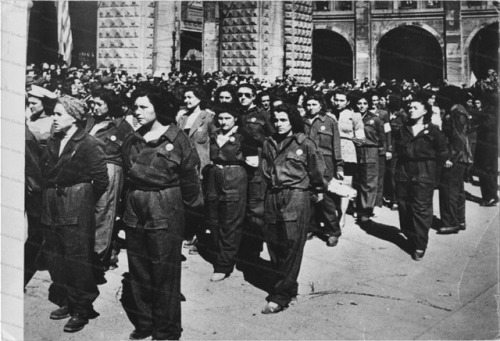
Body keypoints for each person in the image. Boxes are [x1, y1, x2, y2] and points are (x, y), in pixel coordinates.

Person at [121, 85, 203, 340]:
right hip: (136, 204)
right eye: (136, 107)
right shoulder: (133, 138)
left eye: (144, 106)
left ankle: (166, 329)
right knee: (139, 267)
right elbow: (126, 173)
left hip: (165, 204)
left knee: (164, 270)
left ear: (159, 108)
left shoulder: (178, 140)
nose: (137, 111)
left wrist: (188, 221)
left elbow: (191, 182)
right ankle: (145, 322)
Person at [40, 96, 109, 332]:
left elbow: (101, 180)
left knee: (77, 256)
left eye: (59, 114)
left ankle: (82, 307)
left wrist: (82, 198)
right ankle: (69, 301)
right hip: (51, 202)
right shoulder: (53, 140)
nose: (54, 118)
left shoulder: (89, 143)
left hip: (75, 202)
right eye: (54, 114)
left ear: (75, 117)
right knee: (55, 256)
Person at [260, 103, 327, 313]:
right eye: (276, 120)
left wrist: (315, 190)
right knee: (273, 242)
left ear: (292, 122)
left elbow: (317, 171)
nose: (278, 125)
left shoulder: (304, 143)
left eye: (283, 120)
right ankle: (289, 286)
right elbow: (264, 169)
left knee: (291, 244)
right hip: (273, 194)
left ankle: (280, 296)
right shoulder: (268, 143)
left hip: (296, 195)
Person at [205, 103, 259, 281]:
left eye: (227, 118)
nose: (223, 121)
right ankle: (220, 253)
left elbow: (254, 163)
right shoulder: (215, 135)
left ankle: (224, 264)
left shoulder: (244, 137)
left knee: (231, 221)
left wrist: (238, 162)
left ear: (235, 118)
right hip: (214, 177)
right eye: (220, 118)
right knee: (213, 219)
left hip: (234, 177)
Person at [85, 89, 134, 282]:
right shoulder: (89, 121)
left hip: (110, 168)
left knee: (104, 213)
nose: (95, 107)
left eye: (99, 104)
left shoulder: (121, 125)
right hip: (87, 168)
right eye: (93, 103)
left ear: (110, 104)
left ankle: (98, 260)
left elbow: (130, 152)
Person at [393, 94, 448, 261]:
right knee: (404, 206)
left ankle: (420, 244)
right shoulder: (403, 130)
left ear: (425, 111)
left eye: (415, 107)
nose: (411, 110)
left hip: (424, 172)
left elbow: (443, 153)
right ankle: (411, 236)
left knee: (421, 208)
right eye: (409, 107)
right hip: (404, 172)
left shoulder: (433, 131)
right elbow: (396, 150)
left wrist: (433, 176)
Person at [236, 83, 274, 269]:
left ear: (253, 96)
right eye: (240, 95)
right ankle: (244, 246)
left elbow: (272, 137)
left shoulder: (262, 115)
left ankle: (254, 249)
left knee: (256, 207)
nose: (242, 97)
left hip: (257, 165)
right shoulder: (237, 113)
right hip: (239, 162)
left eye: (246, 95)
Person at [176, 86, 216, 254]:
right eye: (185, 97)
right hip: (184, 167)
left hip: (202, 167)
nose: (186, 100)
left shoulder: (209, 117)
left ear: (199, 98)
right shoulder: (182, 117)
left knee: (201, 205)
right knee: (187, 204)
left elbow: (215, 141)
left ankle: (199, 238)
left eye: (190, 97)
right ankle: (189, 233)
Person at [302, 92, 343, 246]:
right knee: (309, 196)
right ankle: (311, 228)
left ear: (321, 105)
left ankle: (333, 231)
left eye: (314, 104)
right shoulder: (303, 121)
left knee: (327, 199)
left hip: (325, 164)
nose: (310, 107)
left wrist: (339, 166)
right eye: (308, 104)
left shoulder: (330, 121)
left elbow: (336, 145)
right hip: (305, 162)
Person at [329, 90, 365, 228]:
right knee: (331, 186)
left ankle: (342, 216)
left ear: (348, 102)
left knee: (345, 186)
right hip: (330, 153)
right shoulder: (328, 115)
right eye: (336, 100)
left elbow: (361, 139)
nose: (338, 103)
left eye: (342, 100)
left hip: (348, 153)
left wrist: (346, 138)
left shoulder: (354, 116)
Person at [438, 103, 473, 234]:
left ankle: (450, 222)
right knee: (458, 191)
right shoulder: (462, 113)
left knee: (448, 191)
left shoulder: (455, 115)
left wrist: (451, 158)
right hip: (462, 158)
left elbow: (458, 138)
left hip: (455, 158)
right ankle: (459, 220)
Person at [353, 93, 386, 224]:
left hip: (369, 150)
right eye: (359, 103)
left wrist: (382, 149)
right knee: (357, 180)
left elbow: (382, 137)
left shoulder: (375, 119)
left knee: (369, 181)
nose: (361, 106)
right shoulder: (352, 117)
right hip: (354, 150)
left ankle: (366, 210)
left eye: (364, 103)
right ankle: (357, 206)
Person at [474, 92, 499, 206]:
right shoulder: (494, 110)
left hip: (486, 145)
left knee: (485, 170)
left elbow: (487, 125)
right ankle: (492, 195)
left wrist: (477, 121)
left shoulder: (489, 111)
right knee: (491, 170)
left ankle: (489, 196)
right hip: (491, 145)